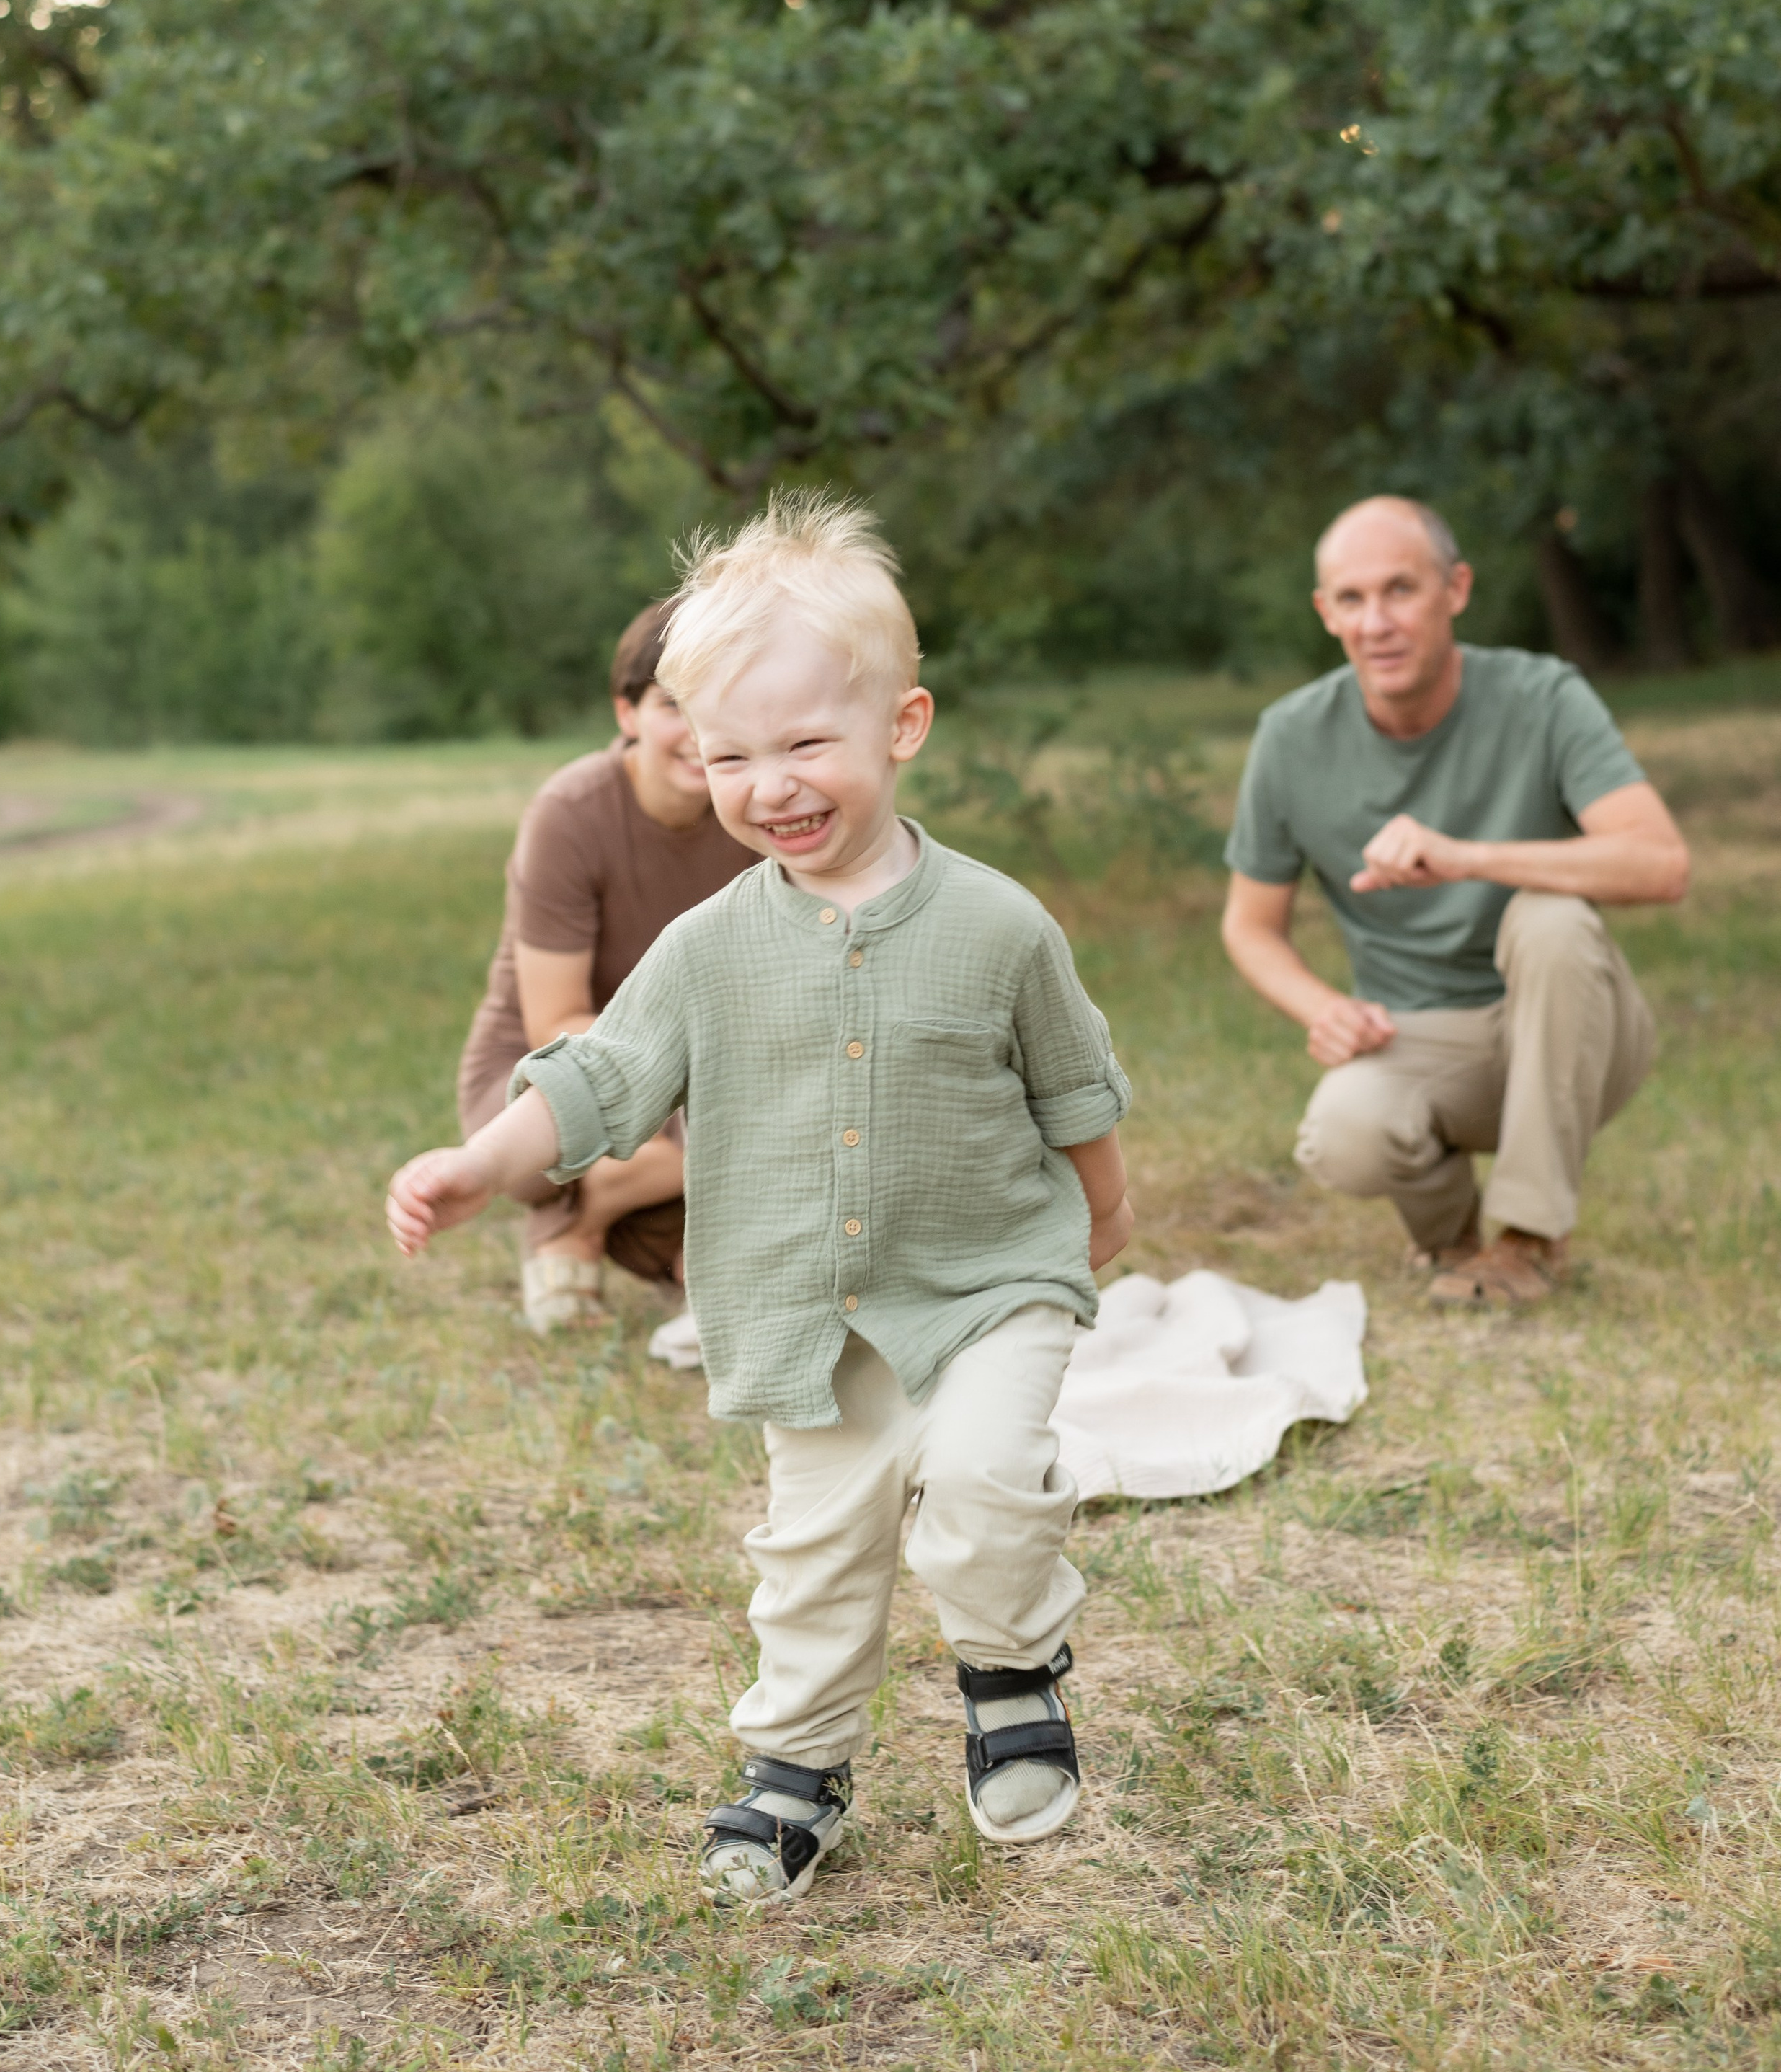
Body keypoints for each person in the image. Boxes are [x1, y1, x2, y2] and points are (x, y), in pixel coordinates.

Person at [390, 493, 1133, 1903]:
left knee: (977, 1483)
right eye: (727, 755)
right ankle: (799, 1765)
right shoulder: (705, 946)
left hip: (990, 1280)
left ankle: (1011, 1668)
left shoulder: (994, 922)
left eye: (804, 745)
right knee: (813, 1551)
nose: (767, 785)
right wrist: (484, 1162)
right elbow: (597, 1076)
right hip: (806, 1312)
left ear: (898, 728)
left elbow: (1073, 1083)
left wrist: (1101, 1209)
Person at [1220, 495, 1689, 1309]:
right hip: (1425, 1032)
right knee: (1343, 1135)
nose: (1377, 622)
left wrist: (1468, 858)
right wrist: (1322, 1007)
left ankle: (1528, 1240)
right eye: (1353, 599)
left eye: (1401, 589)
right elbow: (1250, 925)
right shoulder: (1291, 737)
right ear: (1325, 612)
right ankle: (1453, 1241)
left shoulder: (1543, 697)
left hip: (1576, 1025)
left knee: (1549, 914)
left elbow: (1660, 863)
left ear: (1456, 589)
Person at [456, 598, 753, 1336]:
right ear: (626, 712)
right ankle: (569, 1222)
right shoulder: (572, 813)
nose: (697, 733)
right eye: (670, 705)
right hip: (545, 1068)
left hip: (697, 1072)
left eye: (719, 706)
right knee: (741, 1146)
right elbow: (556, 1021)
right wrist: (707, 1087)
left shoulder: (757, 806)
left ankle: (592, 1216)